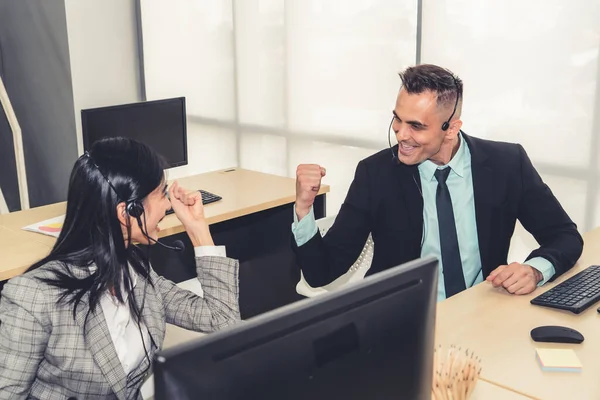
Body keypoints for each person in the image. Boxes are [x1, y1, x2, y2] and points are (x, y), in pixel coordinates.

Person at [292, 64, 583, 300]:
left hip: (482, 312)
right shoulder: (376, 173)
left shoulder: (507, 163)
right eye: (398, 120)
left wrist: (534, 270)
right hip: (404, 321)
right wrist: (305, 209)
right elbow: (322, 271)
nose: (401, 134)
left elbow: (565, 236)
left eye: (416, 126)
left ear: (451, 128)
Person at [0, 137, 240, 399]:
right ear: (127, 212)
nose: (170, 205)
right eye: (162, 194)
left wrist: (198, 229)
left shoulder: (136, 270)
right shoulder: (32, 297)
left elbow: (223, 321)